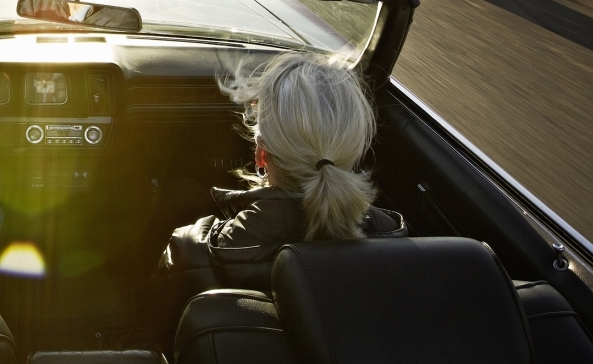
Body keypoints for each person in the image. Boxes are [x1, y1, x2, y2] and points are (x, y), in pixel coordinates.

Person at [153, 52, 405, 335]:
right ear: (353, 151)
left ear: (261, 155)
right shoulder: (397, 243)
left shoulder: (190, 253)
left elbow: (158, 337)